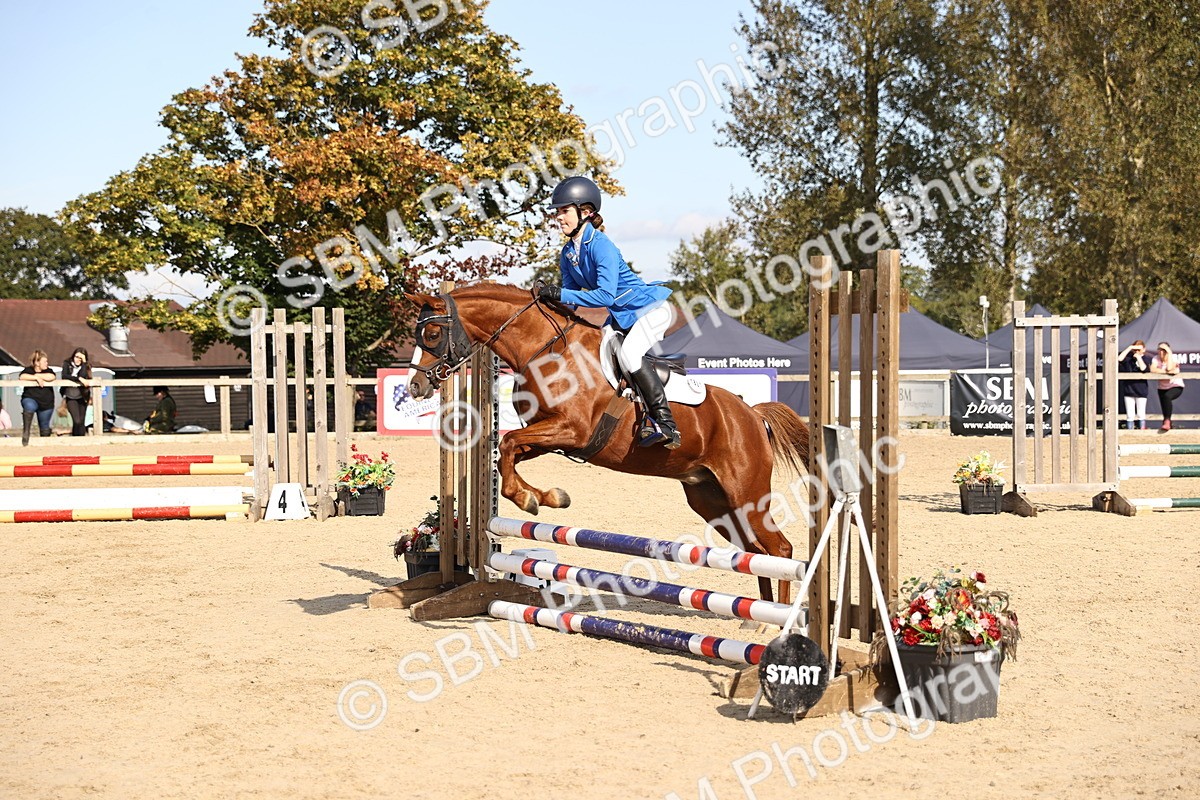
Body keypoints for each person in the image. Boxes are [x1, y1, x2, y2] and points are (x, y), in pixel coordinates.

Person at [535, 176, 680, 449]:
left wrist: (559, 293)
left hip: (649, 310)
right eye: (557, 212)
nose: (558, 217)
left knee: (629, 354)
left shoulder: (602, 245)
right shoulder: (568, 253)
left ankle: (664, 422)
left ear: (586, 212)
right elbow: (572, 301)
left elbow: (604, 296)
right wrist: (543, 303)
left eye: (564, 211)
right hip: (621, 317)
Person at [18, 349, 57, 446]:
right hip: (31, 398)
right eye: (44, 361)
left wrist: (38, 376)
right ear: (37, 363)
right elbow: (22, 376)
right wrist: (36, 378)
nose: (46, 363)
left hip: (46, 402)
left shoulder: (49, 370)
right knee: (29, 406)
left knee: (44, 426)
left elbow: (51, 377)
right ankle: (26, 432)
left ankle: (44, 445)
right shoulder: (28, 370)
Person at [1150, 342, 1185, 433]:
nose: (1161, 353)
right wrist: (1164, 371)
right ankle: (1168, 423)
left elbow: (1169, 368)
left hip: (1175, 385)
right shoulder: (1155, 358)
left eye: (1164, 350)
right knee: (1164, 406)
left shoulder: (1173, 357)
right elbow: (1153, 370)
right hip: (1162, 387)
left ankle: (1167, 421)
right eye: (1159, 350)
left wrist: (1169, 353)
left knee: (1167, 397)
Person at [60, 347, 93, 437]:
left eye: (80, 358)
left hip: (82, 396)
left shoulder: (86, 366)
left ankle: (80, 439)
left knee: (81, 421)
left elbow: (83, 375)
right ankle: (75, 438)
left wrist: (84, 364)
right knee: (76, 420)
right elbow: (65, 376)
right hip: (70, 396)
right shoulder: (67, 363)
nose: (77, 359)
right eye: (76, 357)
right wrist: (78, 379)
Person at [1117, 339, 1150, 430]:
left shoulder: (1146, 358)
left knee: (1141, 413)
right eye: (1135, 350)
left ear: (1143, 349)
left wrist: (1139, 357)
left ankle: (1142, 430)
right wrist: (1130, 347)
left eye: (1139, 350)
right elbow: (1119, 359)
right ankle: (1130, 431)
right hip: (1129, 389)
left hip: (1141, 389)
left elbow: (1144, 368)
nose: (1136, 352)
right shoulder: (1129, 359)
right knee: (1130, 414)